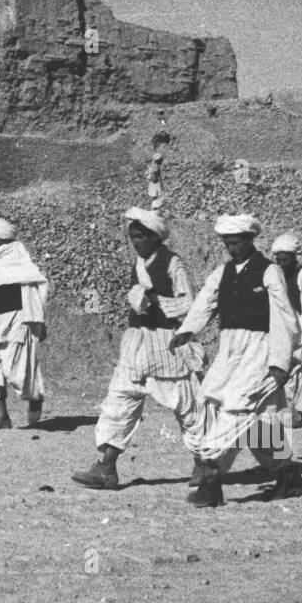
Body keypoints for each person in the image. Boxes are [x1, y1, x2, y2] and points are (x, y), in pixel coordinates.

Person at [170, 214, 302, 508]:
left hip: (260, 351)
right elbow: (205, 301)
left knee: (239, 407)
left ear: (249, 240)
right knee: (248, 414)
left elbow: (285, 318)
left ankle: (212, 479)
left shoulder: (269, 271)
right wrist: (188, 330)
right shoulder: (223, 272)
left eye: (237, 242)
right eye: (227, 243)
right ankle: (286, 473)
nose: (233, 248)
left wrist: (280, 363)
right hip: (230, 351)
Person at [71, 208, 205, 491]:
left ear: (155, 236)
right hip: (136, 342)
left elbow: (189, 304)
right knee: (120, 398)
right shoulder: (138, 263)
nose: (136, 242)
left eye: (141, 237)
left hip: (166, 341)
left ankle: (203, 463)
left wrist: (154, 299)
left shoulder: (173, 264)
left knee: (185, 403)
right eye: (132, 237)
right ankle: (107, 467)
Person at [0, 218, 48, 429]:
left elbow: (31, 292)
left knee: (17, 373)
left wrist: (38, 321)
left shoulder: (18, 258)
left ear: (3, 239)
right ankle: (2, 416)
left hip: (16, 321)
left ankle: (35, 397)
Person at [271, 234, 302, 426]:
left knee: (299, 371)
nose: (282, 263)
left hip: (300, 331)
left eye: (285, 259)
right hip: (281, 329)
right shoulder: (276, 274)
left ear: (294, 257)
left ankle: (297, 413)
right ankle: (285, 411)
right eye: (279, 259)